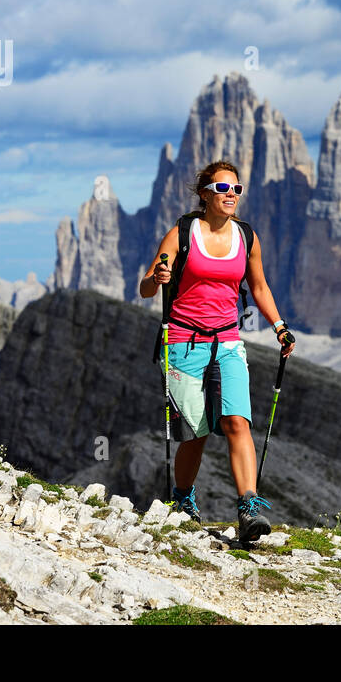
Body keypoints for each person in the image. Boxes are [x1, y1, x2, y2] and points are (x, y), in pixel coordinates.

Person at [138, 160, 295, 542]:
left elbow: (259, 288)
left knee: (236, 421)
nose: (231, 195)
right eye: (223, 189)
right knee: (196, 432)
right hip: (182, 342)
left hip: (227, 341)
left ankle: (248, 506)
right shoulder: (182, 233)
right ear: (206, 194)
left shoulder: (247, 238)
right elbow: (146, 287)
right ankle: (183, 497)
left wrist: (280, 327)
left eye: (237, 189)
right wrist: (157, 277)